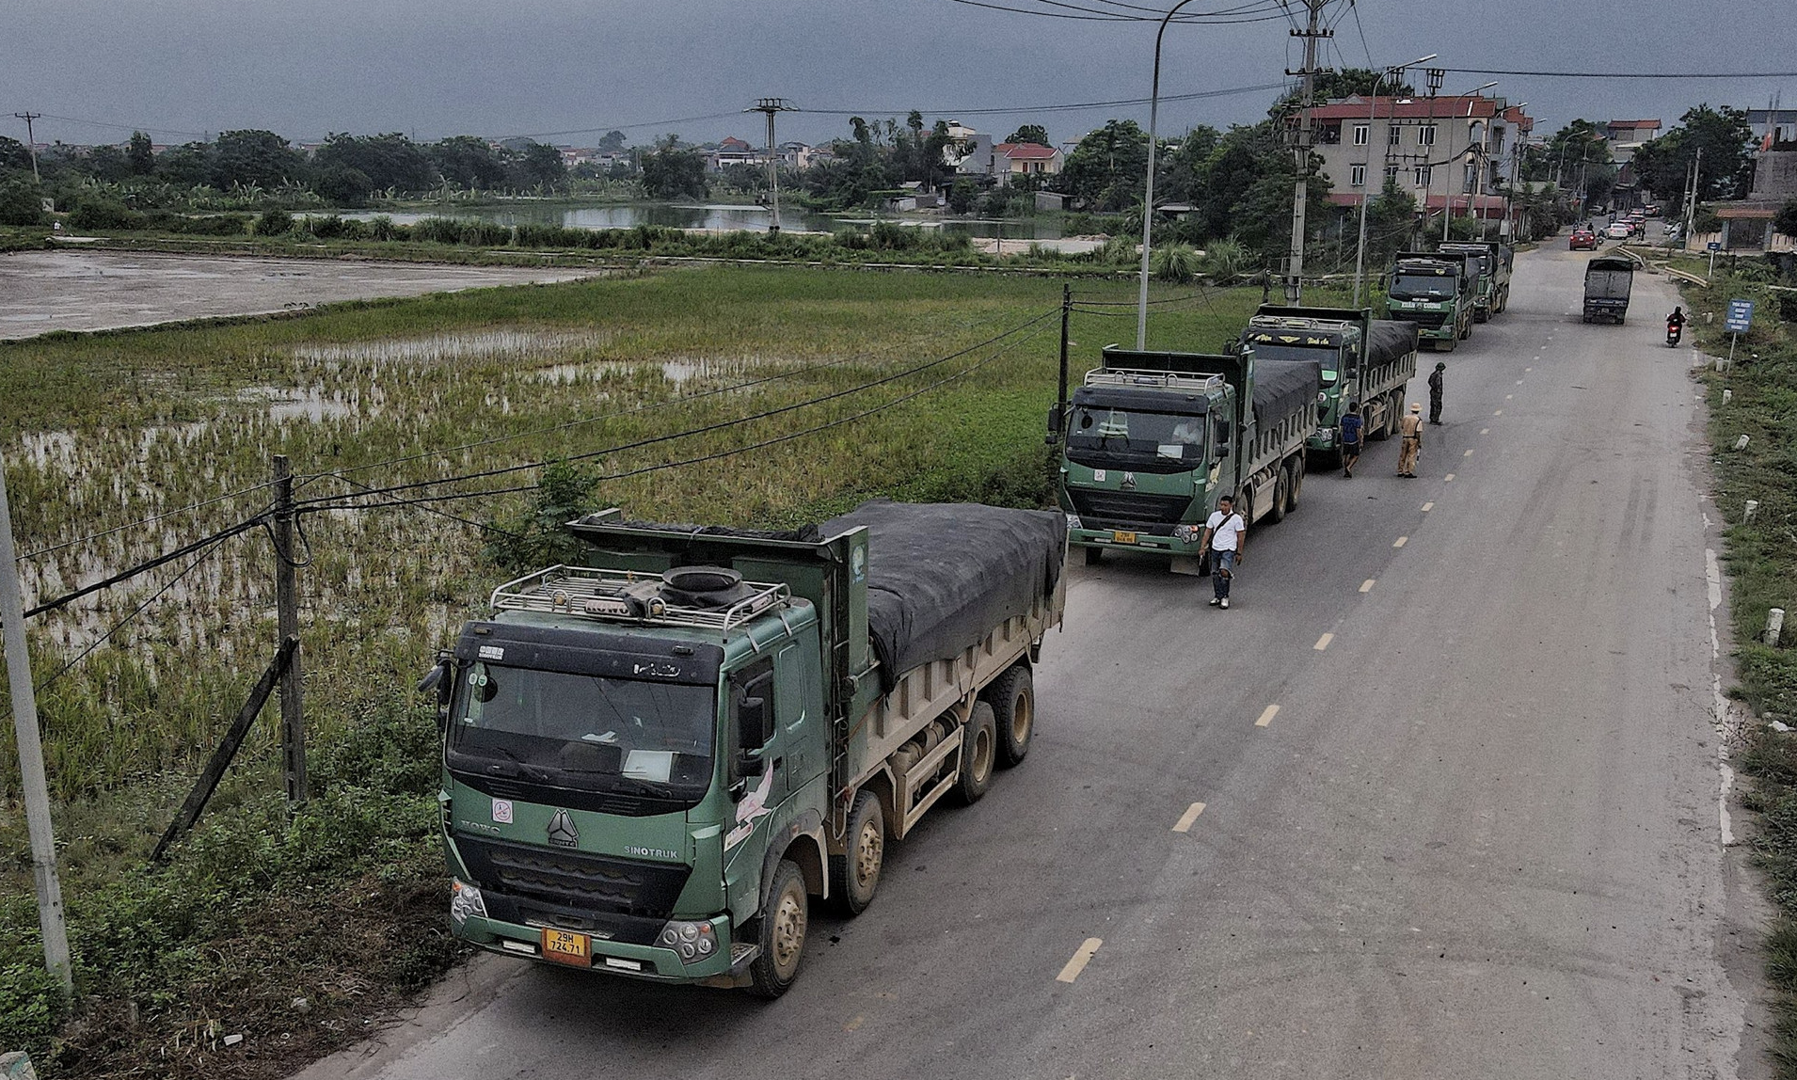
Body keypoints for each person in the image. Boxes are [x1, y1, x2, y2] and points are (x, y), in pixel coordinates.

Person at [1200, 494, 1246, 610]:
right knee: (1215, 573)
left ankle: (1225, 596)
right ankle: (1218, 596)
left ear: (1231, 505)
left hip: (1228, 549)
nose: (1223, 507)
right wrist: (1202, 547)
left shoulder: (1236, 519)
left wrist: (1239, 552)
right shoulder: (1214, 516)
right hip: (1215, 548)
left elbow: (1240, 536)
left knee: (1224, 571)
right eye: (1221, 504)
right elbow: (1207, 532)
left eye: (1225, 505)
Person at [1397, 403, 1423, 477]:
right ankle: (1408, 471)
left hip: (1405, 437)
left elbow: (1402, 426)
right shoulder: (1418, 420)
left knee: (1403, 454)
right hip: (1413, 438)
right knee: (1411, 455)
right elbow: (1418, 432)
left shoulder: (1406, 417)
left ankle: (1400, 470)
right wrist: (1419, 442)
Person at [1339, 402, 1364, 478]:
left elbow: (1342, 429)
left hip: (1345, 438)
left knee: (1345, 454)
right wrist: (1360, 441)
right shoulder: (1357, 419)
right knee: (1356, 455)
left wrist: (1342, 438)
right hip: (1353, 440)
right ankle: (1349, 467)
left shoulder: (1344, 417)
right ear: (1356, 409)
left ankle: (1345, 469)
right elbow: (1358, 431)